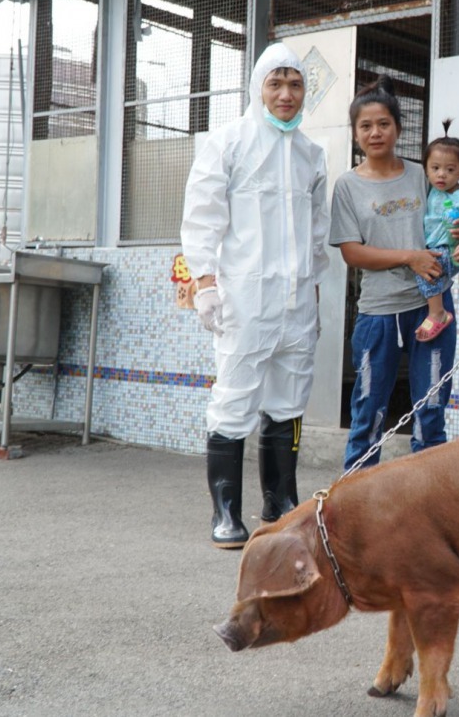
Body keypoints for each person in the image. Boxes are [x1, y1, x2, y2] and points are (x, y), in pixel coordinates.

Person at [180, 42, 329, 549]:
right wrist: (205, 282)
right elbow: (202, 216)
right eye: (276, 83)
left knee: (288, 402)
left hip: (296, 302)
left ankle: (280, 502)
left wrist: (314, 295)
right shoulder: (229, 142)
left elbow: (317, 233)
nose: (286, 94)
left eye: (295, 84)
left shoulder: (312, 155)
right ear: (257, 88)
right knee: (235, 399)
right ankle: (225, 510)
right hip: (245, 300)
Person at [329, 77, 459, 470]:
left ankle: (429, 496)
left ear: (399, 129)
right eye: (366, 126)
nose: (375, 132)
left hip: (432, 310)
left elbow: (447, 220)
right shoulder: (347, 186)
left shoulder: (423, 175)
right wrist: (409, 257)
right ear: (355, 134)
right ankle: (357, 495)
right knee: (368, 410)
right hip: (379, 313)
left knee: (431, 410)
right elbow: (352, 252)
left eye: (383, 124)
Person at [413, 120, 459, 342]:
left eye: (450, 169)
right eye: (435, 168)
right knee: (427, 271)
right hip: (437, 247)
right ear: (426, 168)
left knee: (427, 270)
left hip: (449, 250)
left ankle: (438, 313)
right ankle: (436, 311)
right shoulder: (431, 190)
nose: (441, 175)